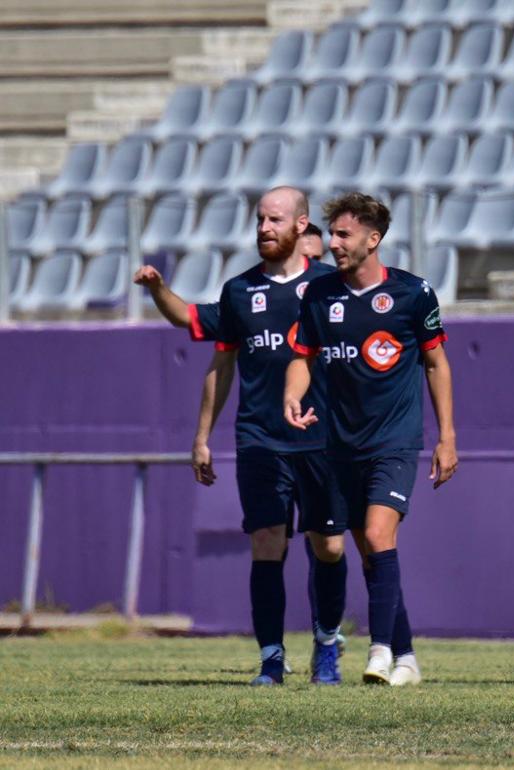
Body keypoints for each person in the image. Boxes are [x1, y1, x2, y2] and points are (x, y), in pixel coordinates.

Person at [132, 186, 350, 686]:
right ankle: (271, 658)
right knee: (266, 542)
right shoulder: (239, 291)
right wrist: (201, 437)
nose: (264, 229)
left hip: (323, 441)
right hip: (260, 440)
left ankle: (326, 644)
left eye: (275, 220)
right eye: (259, 220)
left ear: (300, 225)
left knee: (330, 548)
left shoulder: (330, 286)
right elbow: (220, 362)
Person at [285, 192, 458, 686]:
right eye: (332, 234)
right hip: (340, 444)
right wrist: (292, 396)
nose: (333, 243)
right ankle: (406, 657)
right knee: (370, 555)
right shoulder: (319, 295)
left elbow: (436, 364)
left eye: (344, 234)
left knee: (380, 537)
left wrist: (447, 437)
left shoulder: (413, 293)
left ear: (373, 238)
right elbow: (303, 356)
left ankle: (379, 652)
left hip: (394, 440)